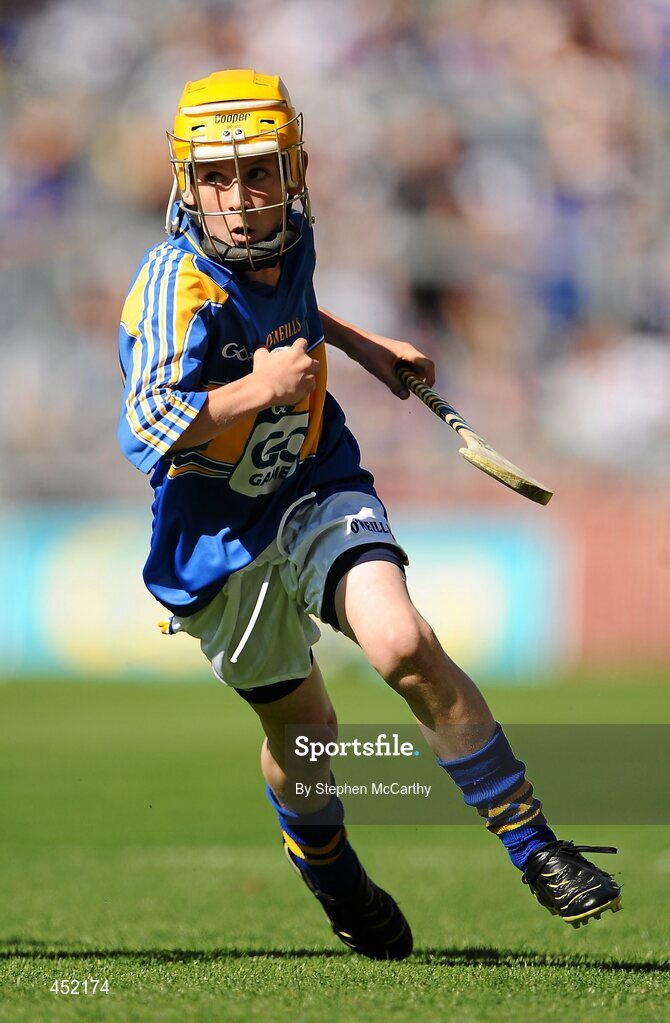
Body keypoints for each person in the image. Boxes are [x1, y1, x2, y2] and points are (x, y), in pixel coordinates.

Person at [118, 68, 621, 960]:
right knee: (304, 734)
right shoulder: (170, 287)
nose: (239, 199)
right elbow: (146, 421)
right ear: (186, 183)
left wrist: (360, 345)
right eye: (217, 177)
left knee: (401, 643)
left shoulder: (293, 238)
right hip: (219, 541)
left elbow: (289, 307)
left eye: (260, 172)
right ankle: (326, 859)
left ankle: (536, 845)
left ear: (296, 170)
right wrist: (254, 389)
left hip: (315, 481)